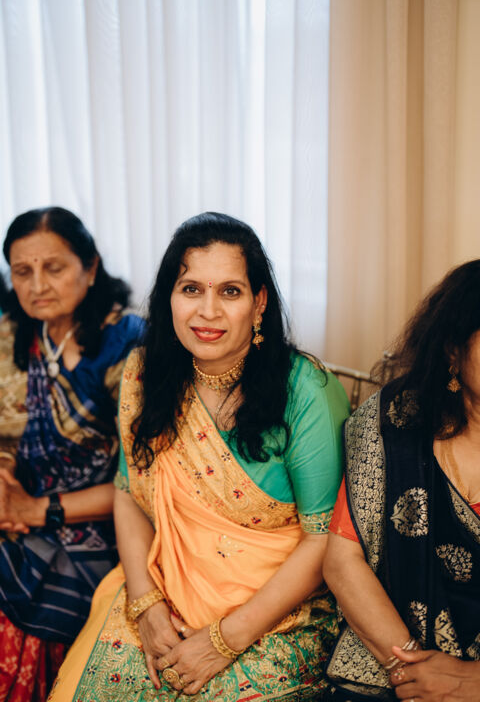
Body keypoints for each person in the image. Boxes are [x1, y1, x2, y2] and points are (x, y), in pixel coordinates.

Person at [49, 211, 350, 702]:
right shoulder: (143, 374)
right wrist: (146, 605)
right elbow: (128, 494)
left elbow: (325, 540)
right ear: (169, 298)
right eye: (191, 289)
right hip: (161, 588)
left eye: (230, 291)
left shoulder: (307, 392)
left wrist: (224, 640)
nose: (207, 311)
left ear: (258, 303)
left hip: (276, 615)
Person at [0, 207, 144, 701]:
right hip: (22, 507)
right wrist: (5, 487)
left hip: (107, 529)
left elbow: (142, 482)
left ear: (91, 266)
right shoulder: (14, 334)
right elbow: (7, 437)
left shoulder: (128, 345)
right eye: (23, 271)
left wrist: (36, 510)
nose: (37, 285)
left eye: (54, 267)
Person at [324, 260, 480, 701]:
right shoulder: (394, 423)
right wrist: (411, 671)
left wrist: (470, 683)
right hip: (392, 659)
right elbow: (343, 561)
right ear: (452, 350)